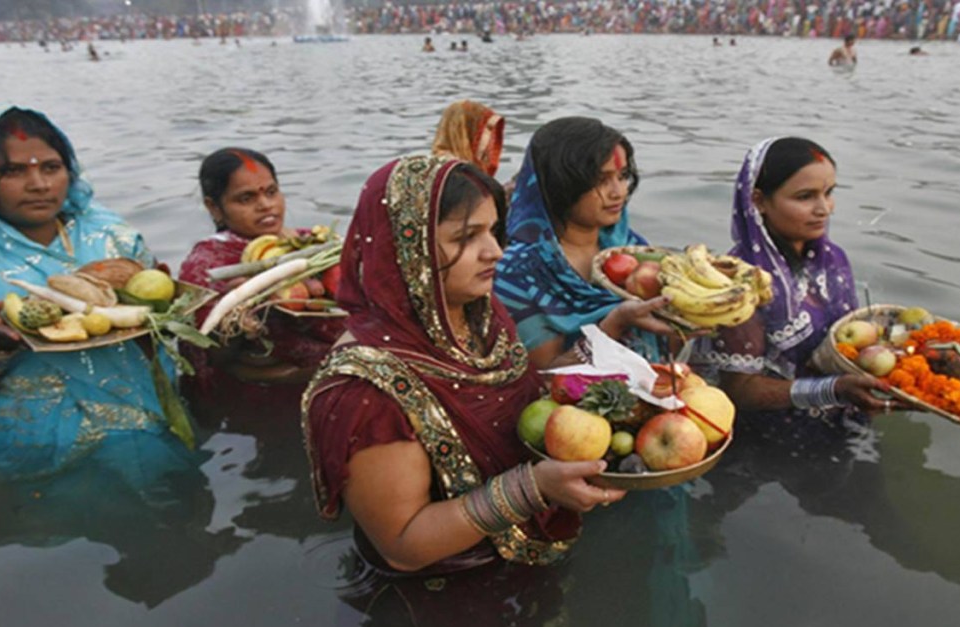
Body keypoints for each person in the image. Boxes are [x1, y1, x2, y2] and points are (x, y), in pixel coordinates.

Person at [303, 156, 625, 575]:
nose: (495, 251)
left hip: (526, 559)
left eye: (493, 231)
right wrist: (532, 488)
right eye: (465, 237)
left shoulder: (479, 315)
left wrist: (614, 329)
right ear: (406, 249)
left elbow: (524, 400)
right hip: (446, 593)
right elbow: (403, 545)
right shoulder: (364, 390)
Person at [0, 104, 189, 478]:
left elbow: (160, 345)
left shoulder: (112, 238)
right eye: (13, 170)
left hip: (147, 432)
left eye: (51, 167)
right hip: (35, 457)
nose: (39, 184)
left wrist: (164, 309)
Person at [694, 137, 888, 414]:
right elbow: (738, 390)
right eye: (805, 197)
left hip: (844, 410)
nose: (824, 209)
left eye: (829, 192)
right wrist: (831, 390)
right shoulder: (740, 281)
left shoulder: (833, 260)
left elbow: (848, 344)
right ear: (758, 200)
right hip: (768, 434)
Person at [494, 116, 681, 369]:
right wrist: (614, 324)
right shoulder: (519, 272)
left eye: (623, 175)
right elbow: (542, 379)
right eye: (601, 180)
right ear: (561, 184)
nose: (618, 192)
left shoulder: (630, 248)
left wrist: (686, 323)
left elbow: (661, 349)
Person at [178, 147, 345, 392]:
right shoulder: (208, 265)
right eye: (246, 198)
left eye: (271, 192)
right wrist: (237, 318)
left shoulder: (314, 243)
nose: (266, 205)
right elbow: (215, 356)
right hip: (257, 398)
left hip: (329, 380)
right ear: (214, 208)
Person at [430, 100, 505, 178]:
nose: (492, 137)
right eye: (489, 129)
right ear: (468, 131)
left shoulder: (428, 166)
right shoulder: (462, 175)